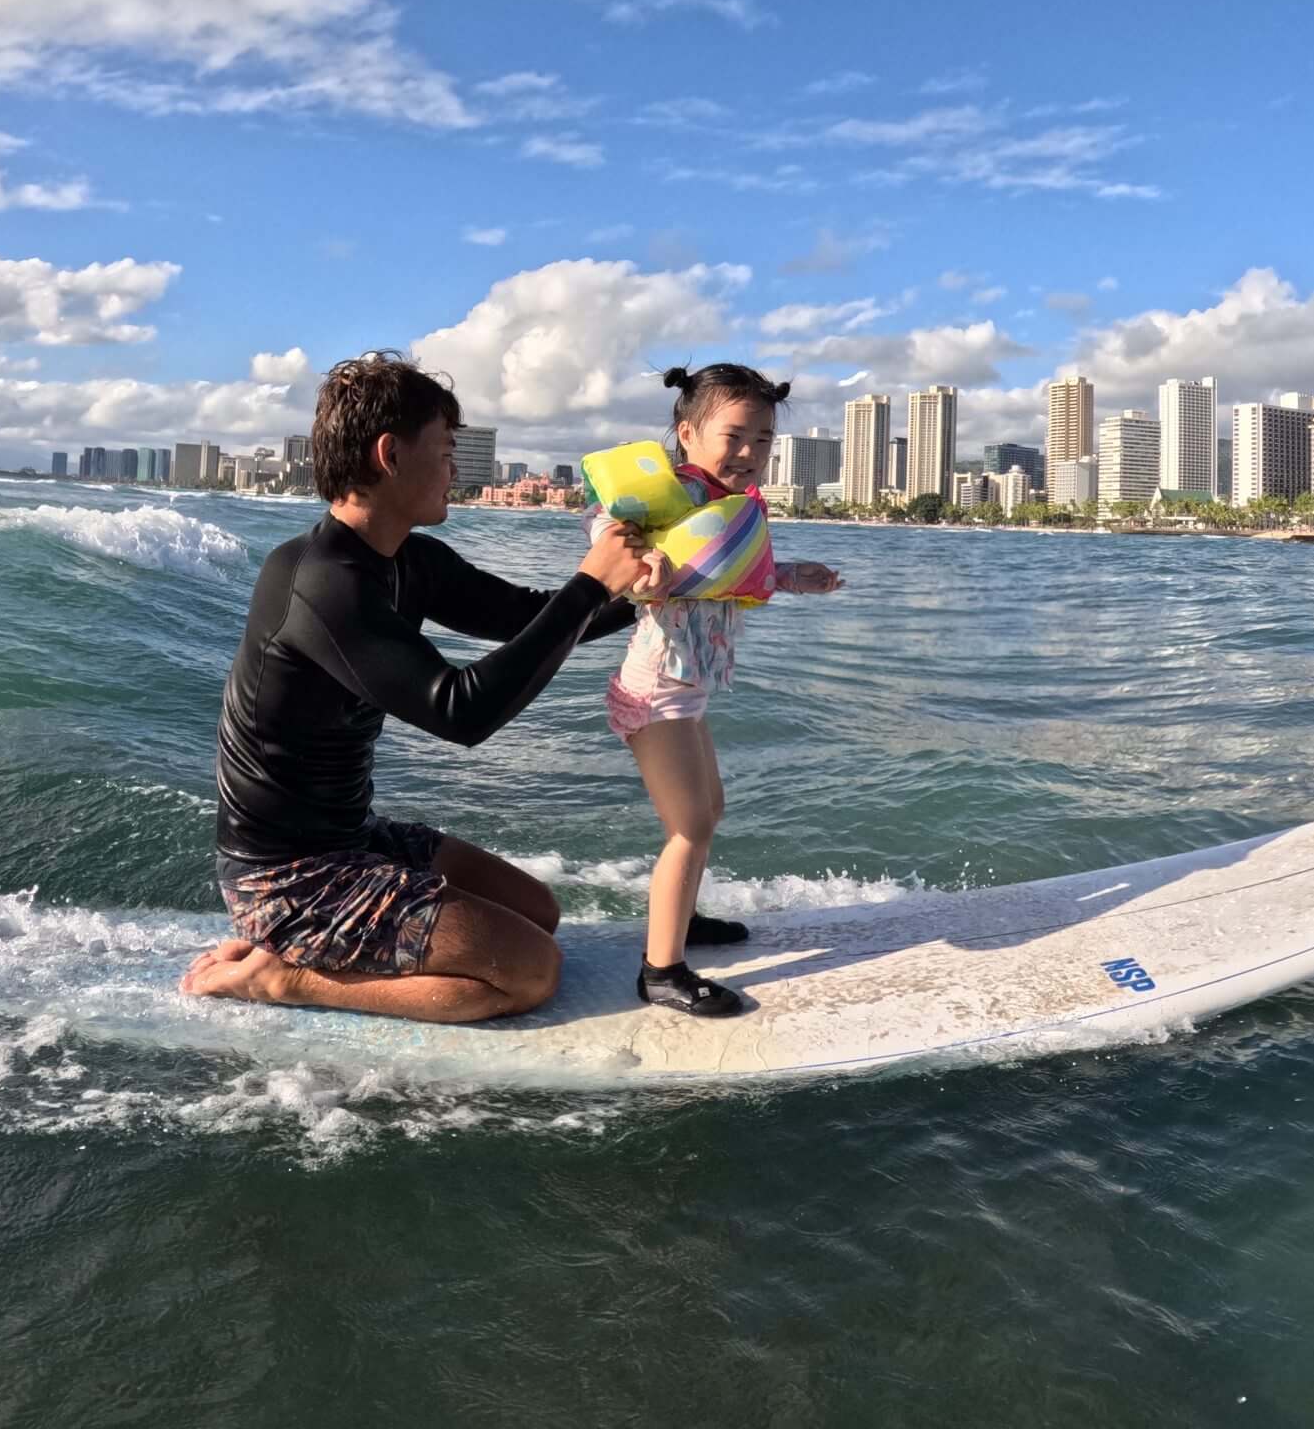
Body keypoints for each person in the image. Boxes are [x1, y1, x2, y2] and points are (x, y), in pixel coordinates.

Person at [180, 353, 654, 1024]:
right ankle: (284, 977)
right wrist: (590, 584)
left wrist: (637, 596)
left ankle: (298, 950)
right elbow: (461, 711)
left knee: (539, 913)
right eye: (446, 449)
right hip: (286, 877)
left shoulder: (408, 559)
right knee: (529, 972)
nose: (455, 469)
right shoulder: (322, 580)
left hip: (352, 837)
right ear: (389, 455)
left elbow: (526, 616)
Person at [598, 363, 842, 1017]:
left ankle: (684, 921)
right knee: (691, 825)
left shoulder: (728, 511)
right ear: (687, 432)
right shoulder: (671, 495)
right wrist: (642, 570)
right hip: (656, 689)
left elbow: (736, 575)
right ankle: (662, 970)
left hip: (687, 688)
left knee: (712, 809)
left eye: (763, 440)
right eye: (733, 436)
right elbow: (607, 528)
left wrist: (796, 576)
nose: (748, 452)